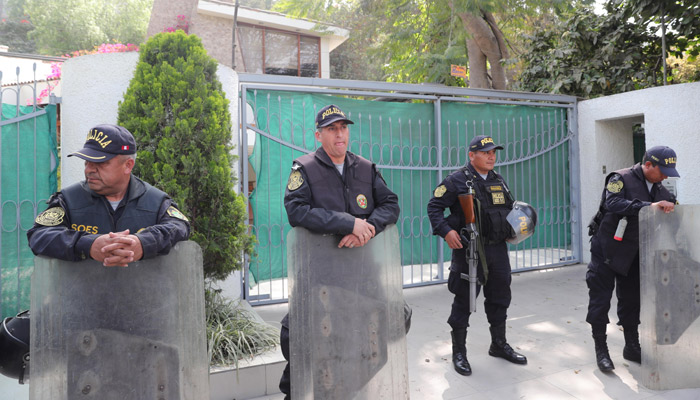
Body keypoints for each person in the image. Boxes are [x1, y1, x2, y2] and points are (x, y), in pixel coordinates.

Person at [279, 104, 401, 399]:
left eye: (343, 128)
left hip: (362, 273)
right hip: (320, 274)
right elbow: (296, 211)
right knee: (299, 338)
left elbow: (391, 205)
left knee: (382, 329)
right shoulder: (304, 169)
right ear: (318, 135)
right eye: (332, 129)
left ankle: (349, 388)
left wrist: (367, 228)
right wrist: (347, 223)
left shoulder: (365, 168)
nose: (339, 135)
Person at [427, 135, 527, 377]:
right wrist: (447, 231)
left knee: (500, 296)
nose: (492, 156)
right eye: (486, 152)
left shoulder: (498, 180)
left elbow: (510, 208)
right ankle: (459, 352)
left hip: (497, 250)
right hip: (469, 250)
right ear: (472, 155)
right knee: (464, 300)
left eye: (494, 152)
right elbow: (434, 207)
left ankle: (498, 344)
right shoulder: (456, 180)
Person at [27, 123, 190, 266]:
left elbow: (179, 227)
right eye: (86, 161)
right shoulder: (68, 200)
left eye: (100, 162)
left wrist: (142, 243)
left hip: (143, 298)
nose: (89, 169)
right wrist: (89, 245)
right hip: (81, 299)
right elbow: (39, 235)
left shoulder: (155, 201)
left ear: (128, 165)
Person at [585, 146, 678, 372]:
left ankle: (631, 346)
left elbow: (671, 207)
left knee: (631, 301)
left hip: (634, 253)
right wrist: (650, 207)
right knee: (601, 301)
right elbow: (612, 203)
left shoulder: (659, 188)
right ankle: (602, 351)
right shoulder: (619, 178)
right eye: (662, 170)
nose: (666, 176)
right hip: (607, 250)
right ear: (648, 165)